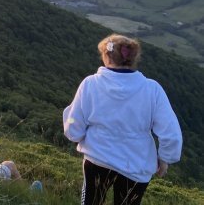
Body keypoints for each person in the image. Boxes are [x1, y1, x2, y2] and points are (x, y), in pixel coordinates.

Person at [63, 34, 183, 205]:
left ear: (106, 56)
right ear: (133, 58)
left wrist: (77, 136)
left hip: (98, 157)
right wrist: (164, 159)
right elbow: (171, 133)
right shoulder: (152, 89)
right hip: (136, 164)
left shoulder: (90, 84)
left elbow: (74, 125)